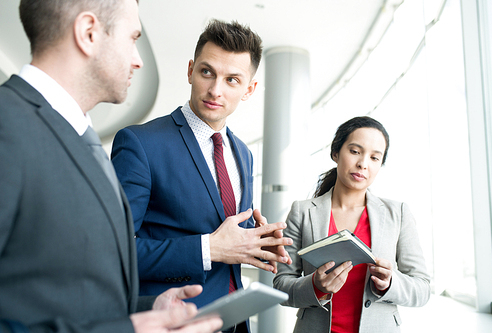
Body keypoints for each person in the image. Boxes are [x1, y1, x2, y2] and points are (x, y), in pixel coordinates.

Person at [0, 0, 223, 332]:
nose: (138, 60)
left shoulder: (77, 135)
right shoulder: (8, 125)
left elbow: (55, 288)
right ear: (89, 32)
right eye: (132, 38)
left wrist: (146, 309)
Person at [111, 19, 292, 333]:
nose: (215, 90)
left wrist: (255, 241)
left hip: (235, 320)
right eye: (207, 72)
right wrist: (209, 249)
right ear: (191, 70)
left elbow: (226, 230)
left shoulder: (244, 154)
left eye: (232, 80)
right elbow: (114, 251)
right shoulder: (140, 144)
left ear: (249, 89)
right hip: (176, 321)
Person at [273, 116, 430, 333]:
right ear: (336, 153)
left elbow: (422, 289)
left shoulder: (398, 214)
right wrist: (315, 287)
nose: (363, 164)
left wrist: (391, 283)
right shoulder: (303, 212)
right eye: (355, 151)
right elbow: (282, 285)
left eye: (375, 158)